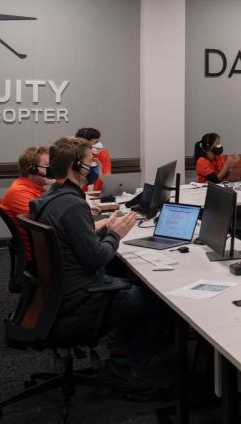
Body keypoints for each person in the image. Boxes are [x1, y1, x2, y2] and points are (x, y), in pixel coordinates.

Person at [31, 136, 163, 364]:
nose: (95, 166)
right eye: (90, 161)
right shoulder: (72, 205)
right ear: (76, 166)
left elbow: (74, 241)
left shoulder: (51, 198)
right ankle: (128, 362)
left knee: (130, 277)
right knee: (158, 300)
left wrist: (107, 229)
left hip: (61, 290)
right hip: (82, 297)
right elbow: (98, 257)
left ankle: (124, 343)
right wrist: (115, 234)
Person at [0, 145, 54, 260]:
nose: (52, 169)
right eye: (47, 166)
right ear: (32, 169)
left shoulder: (36, 188)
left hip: (47, 246)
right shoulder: (19, 192)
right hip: (42, 256)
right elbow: (47, 223)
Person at [76, 127, 111, 192]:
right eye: (96, 142)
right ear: (84, 143)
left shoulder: (103, 152)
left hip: (99, 192)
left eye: (99, 141)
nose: (99, 144)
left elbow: (107, 176)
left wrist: (100, 168)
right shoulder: (74, 154)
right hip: (79, 192)